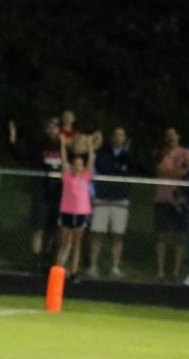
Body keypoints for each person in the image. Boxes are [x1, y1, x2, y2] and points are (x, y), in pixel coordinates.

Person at [8, 116, 63, 270]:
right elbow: (21, 153)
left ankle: (48, 257)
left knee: (53, 229)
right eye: (49, 127)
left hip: (58, 195)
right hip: (41, 192)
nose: (52, 130)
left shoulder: (63, 147)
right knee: (38, 228)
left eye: (55, 127)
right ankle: (36, 260)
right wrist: (13, 139)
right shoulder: (39, 145)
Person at [87, 126, 134, 278]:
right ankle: (93, 266)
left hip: (120, 199)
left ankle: (115, 267)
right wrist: (118, 167)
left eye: (122, 135)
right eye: (116, 135)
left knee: (118, 235)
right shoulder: (103, 153)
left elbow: (129, 170)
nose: (118, 138)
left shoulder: (128, 156)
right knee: (97, 233)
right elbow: (104, 167)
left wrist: (120, 165)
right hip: (103, 197)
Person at [151, 127, 189, 281]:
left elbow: (185, 172)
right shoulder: (160, 153)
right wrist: (177, 171)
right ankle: (160, 271)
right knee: (161, 235)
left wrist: (172, 172)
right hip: (162, 198)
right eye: (168, 135)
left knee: (179, 236)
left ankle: (175, 271)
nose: (171, 137)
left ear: (178, 137)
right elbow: (160, 170)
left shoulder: (185, 153)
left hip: (180, 200)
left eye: (173, 135)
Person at [56, 133, 95, 280]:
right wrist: (63, 144)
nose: (77, 167)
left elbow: (91, 160)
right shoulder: (67, 176)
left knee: (77, 243)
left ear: (83, 167)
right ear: (72, 166)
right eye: (75, 164)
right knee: (63, 242)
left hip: (81, 213)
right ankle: (59, 270)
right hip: (67, 211)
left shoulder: (85, 176)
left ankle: (74, 271)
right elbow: (64, 159)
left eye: (80, 165)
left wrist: (90, 145)